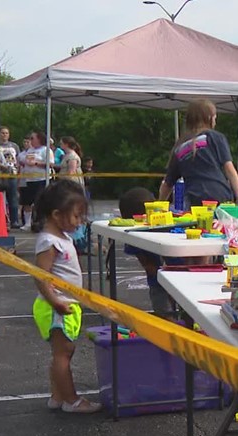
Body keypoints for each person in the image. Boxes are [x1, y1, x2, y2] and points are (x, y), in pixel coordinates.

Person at [31, 180, 101, 414]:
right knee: (63, 353)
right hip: (56, 307)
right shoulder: (49, 242)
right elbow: (41, 276)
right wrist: (55, 302)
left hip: (64, 304)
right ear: (56, 215)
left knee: (61, 353)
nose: (80, 222)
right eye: (76, 216)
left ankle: (57, 396)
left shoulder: (61, 237)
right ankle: (71, 400)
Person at [158, 99, 238, 211]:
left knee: (198, 227)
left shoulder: (179, 147)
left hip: (195, 198)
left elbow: (167, 184)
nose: (215, 122)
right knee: (221, 227)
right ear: (209, 118)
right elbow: (230, 170)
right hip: (220, 194)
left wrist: (159, 206)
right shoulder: (215, 137)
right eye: (215, 118)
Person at [115, 187, 178, 316]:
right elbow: (148, 265)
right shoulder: (133, 235)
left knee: (186, 311)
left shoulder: (169, 224)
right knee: (163, 314)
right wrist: (166, 280)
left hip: (180, 275)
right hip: (158, 280)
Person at [22, 131, 55, 232]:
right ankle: (27, 223)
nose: (31, 141)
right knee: (27, 201)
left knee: (39, 201)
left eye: (32, 138)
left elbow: (51, 164)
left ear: (39, 139)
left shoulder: (46, 150)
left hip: (41, 179)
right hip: (29, 179)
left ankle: (40, 222)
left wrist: (36, 163)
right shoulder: (29, 150)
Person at [0, 127, 21, 229]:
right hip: (0, 175)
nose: (4, 135)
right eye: (3, 133)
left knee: (13, 198)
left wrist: (18, 172)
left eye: (6, 133)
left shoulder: (14, 146)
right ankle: (1, 220)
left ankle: (15, 221)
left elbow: (18, 159)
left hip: (12, 174)